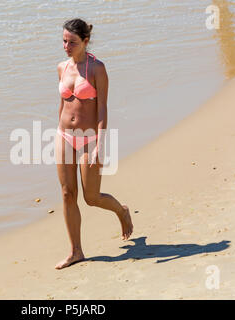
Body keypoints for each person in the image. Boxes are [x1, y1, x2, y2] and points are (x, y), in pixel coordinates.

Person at [54, 18, 133, 269]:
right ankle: (76, 251)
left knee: (91, 197)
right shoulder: (61, 68)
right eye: (64, 41)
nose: (66, 46)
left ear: (85, 42)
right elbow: (62, 105)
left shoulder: (97, 69)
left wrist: (100, 143)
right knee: (67, 194)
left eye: (72, 42)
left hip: (89, 139)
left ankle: (121, 211)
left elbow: (102, 108)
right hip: (64, 136)